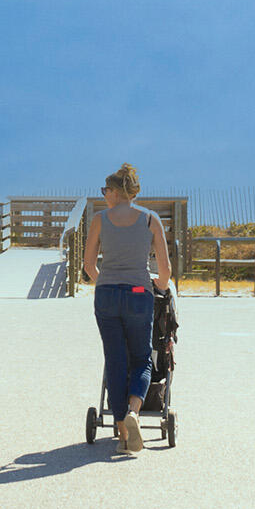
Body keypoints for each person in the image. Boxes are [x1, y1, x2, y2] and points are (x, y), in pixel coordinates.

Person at [83, 162, 172, 454]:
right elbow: (165, 271)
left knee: (115, 360)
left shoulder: (99, 218)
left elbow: (88, 266)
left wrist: (106, 282)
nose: (103, 195)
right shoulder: (150, 220)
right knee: (142, 359)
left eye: (104, 190)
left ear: (115, 191)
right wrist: (154, 284)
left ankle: (122, 430)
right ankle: (134, 411)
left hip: (107, 292)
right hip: (137, 291)